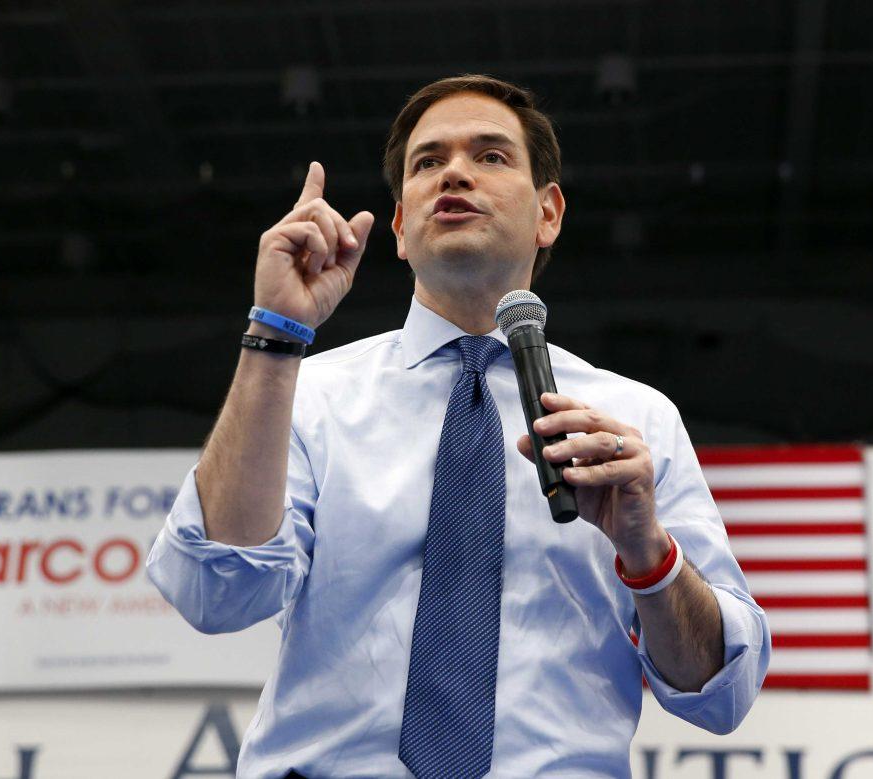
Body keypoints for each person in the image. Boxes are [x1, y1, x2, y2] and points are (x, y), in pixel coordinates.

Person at [146, 74, 770, 778]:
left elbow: (720, 692)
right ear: (402, 229)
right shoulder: (305, 394)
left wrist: (647, 551)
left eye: (491, 156)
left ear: (549, 213)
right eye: (427, 161)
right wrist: (275, 336)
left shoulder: (637, 420)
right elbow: (216, 591)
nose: (454, 174)